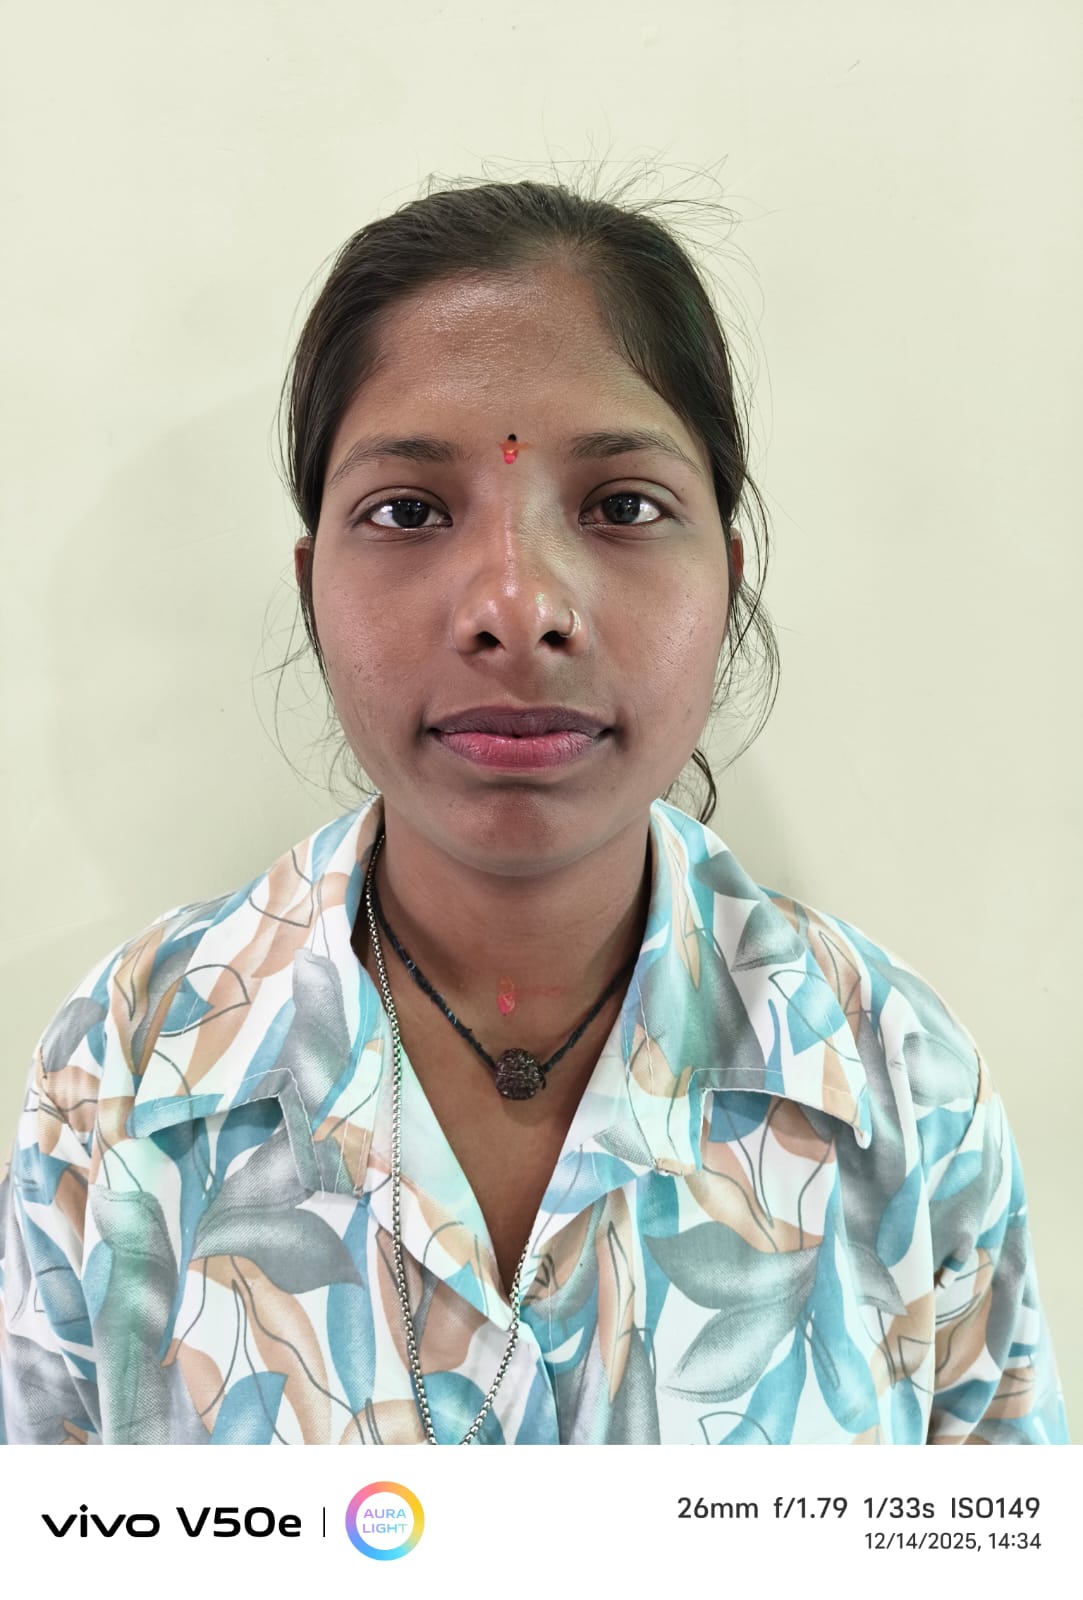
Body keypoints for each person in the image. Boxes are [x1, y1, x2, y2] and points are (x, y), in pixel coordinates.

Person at [0, 176, 1068, 1446]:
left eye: (622, 507)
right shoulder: (128, 1064)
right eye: (408, 512)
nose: (517, 606)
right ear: (313, 587)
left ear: (727, 580)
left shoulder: (901, 1080)